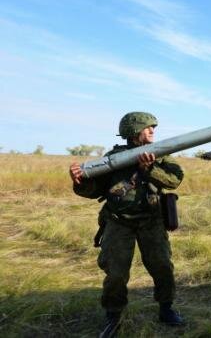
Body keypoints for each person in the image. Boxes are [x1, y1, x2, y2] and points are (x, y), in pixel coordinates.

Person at [68, 112, 185, 338]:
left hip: (151, 221)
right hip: (118, 223)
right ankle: (113, 316)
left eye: (154, 128)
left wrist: (150, 169)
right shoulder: (113, 158)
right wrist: (79, 181)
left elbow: (175, 180)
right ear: (133, 132)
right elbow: (94, 191)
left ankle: (166, 309)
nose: (152, 131)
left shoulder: (159, 155)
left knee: (162, 266)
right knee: (116, 273)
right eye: (148, 127)